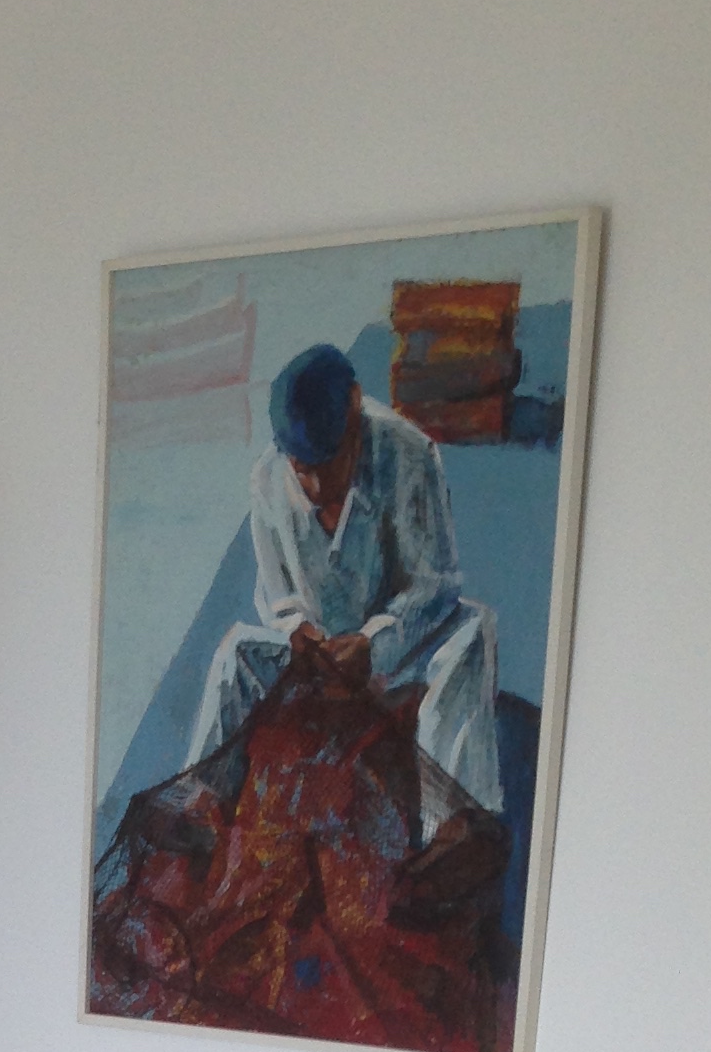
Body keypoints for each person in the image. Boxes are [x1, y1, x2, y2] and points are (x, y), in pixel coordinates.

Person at [190, 341, 501, 811]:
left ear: (354, 407)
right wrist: (296, 630)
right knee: (236, 653)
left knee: (474, 632)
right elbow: (276, 595)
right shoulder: (267, 479)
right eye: (303, 471)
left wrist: (372, 644)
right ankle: (201, 802)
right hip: (318, 664)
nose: (316, 488)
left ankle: (453, 819)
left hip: (398, 657)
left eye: (329, 464)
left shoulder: (410, 455)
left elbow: (434, 586)